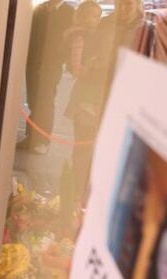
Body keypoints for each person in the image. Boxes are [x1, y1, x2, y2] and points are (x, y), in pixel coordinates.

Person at [17, 0, 73, 155]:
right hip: (33, 63)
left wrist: (56, 61)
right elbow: (29, 33)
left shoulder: (68, 12)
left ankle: (42, 141)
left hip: (51, 67)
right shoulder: (39, 9)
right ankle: (31, 137)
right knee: (34, 101)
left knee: (46, 102)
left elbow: (66, 43)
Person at [62, 0, 101, 199]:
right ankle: (79, 187)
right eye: (93, 15)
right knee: (83, 144)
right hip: (84, 97)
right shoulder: (80, 36)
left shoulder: (93, 35)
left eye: (98, 15)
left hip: (92, 95)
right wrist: (95, 71)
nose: (97, 20)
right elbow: (76, 68)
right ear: (84, 16)